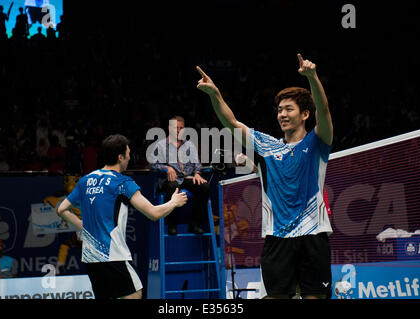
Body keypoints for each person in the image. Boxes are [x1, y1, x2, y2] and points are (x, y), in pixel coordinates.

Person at [196, 53, 333, 299]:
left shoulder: (317, 142)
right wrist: (215, 94)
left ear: (304, 114)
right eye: (279, 109)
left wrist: (312, 78)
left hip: (313, 236)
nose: (282, 114)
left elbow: (323, 112)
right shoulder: (267, 145)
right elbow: (232, 123)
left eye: (288, 109)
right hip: (277, 238)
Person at [57, 134, 188, 299]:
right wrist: (174, 202)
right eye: (128, 153)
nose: (129, 157)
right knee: (135, 294)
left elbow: (61, 209)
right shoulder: (122, 183)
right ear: (120, 157)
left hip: (90, 260)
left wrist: (83, 225)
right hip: (113, 256)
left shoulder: (85, 180)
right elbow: (154, 214)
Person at [150, 115, 209, 235]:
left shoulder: (189, 145)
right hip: (169, 179)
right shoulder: (160, 145)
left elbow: (197, 164)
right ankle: (172, 224)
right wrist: (166, 168)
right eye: (175, 127)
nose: (178, 130)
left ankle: (194, 224)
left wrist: (197, 173)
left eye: (181, 128)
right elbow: (152, 165)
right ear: (168, 128)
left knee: (204, 187)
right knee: (173, 187)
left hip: (187, 178)